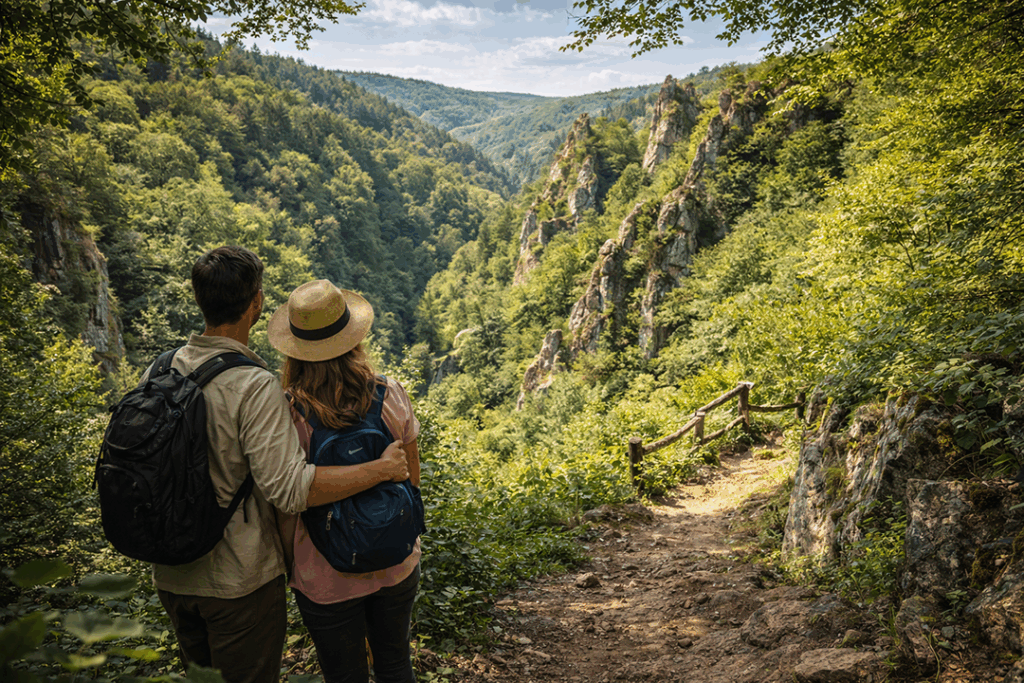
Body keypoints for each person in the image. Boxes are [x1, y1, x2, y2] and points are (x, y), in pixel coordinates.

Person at [151, 246, 410, 683]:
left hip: (173, 571)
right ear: (256, 302)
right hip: (239, 577)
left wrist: (298, 567)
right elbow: (290, 491)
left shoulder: (161, 370)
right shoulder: (255, 387)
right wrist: (383, 470)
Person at [268, 279, 422, 683]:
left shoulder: (288, 413)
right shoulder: (388, 393)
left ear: (295, 350)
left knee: (343, 676)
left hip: (324, 572)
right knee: (395, 663)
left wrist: (292, 566)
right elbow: (412, 476)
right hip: (396, 557)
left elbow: (287, 503)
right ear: (352, 336)